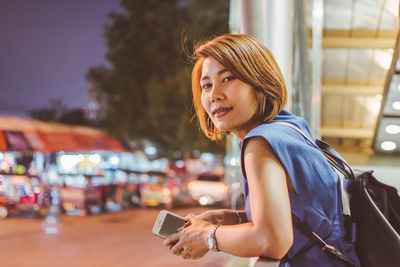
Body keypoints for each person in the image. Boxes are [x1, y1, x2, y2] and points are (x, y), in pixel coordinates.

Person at [164, 34, 359, 266]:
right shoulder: (291, 127)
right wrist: (229, 219)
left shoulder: (259, 143)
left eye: (228, 79)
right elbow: (302, 216)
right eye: (206, 85)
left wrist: (208, 237)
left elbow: (272, 241)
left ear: (260, 81)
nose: (214, 94)